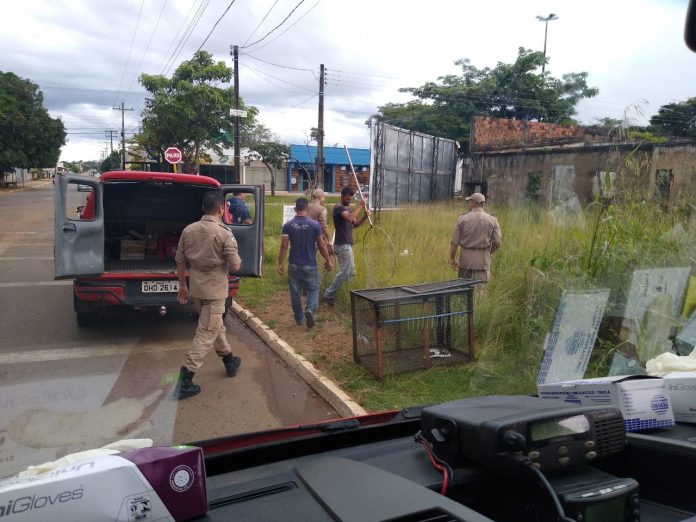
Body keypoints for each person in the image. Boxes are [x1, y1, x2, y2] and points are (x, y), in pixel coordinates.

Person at [174, 190, 242, 400]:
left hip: (196, 289)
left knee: (215, 326)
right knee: (206, 333)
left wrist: (182, 286)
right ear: (221, 209)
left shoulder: (188, 230)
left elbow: (180, 260)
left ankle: (229, 360)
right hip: (215, 292)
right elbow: (236, 265)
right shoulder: (224, 233)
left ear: (203, 208)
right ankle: (184, 380)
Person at [278, 198, 334, 328]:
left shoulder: (288, 226)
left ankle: (299, 318)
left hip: (293, 264)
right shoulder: (315, 225)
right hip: (310, 264)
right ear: (307, 210)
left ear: (295, 209)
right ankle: (310, 309)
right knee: (314, 288)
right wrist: (329, 261)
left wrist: (280, 263)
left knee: (295, 292)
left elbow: (284, 246)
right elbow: (321, 245)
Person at [323, 186, 370, 305]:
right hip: (341, 245)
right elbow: (349, 217)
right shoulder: (338, 207)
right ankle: (328, 293)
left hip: (348, 245)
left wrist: (365, 217)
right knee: (344, 272)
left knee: (351, 272)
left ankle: (349, 294)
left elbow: (355, 224)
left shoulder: (347, 209)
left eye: (350, 199)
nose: (349, 201)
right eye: (348, 199)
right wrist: (360, 205)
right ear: (342, 196)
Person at [449, 192, 502, 283]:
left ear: (472, 203)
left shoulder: (462, 219)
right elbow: (497, 242)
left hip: (465, 262)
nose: (468, 204)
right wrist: (489, 252)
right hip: (482, 262)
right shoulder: (492, 220)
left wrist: (452, 258)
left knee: (464, 288)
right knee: (480, 289)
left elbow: (454, 243)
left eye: (469, 202)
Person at [307, 188, 332, 252]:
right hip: (314, 239)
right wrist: (329, 240)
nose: (324, 199)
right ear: (320, 197)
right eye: (323, 197)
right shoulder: (321, 209)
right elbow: (323, 226)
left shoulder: (305, 206)